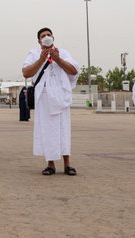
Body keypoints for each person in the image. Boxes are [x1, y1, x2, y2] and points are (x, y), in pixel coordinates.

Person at [22, 28, 80, 176]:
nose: (46, 37)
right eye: (43, 36)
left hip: (61, 96)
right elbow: (26, 72)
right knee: (47, 131)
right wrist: (41, 59)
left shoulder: (63, 52)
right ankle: (50, 164)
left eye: (49, 35)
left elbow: (73, 71)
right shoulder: (34, 53)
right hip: (45, 97)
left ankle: (67, 164)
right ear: (39, 40)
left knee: (63, 130)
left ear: (53, 37)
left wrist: (58, 59)